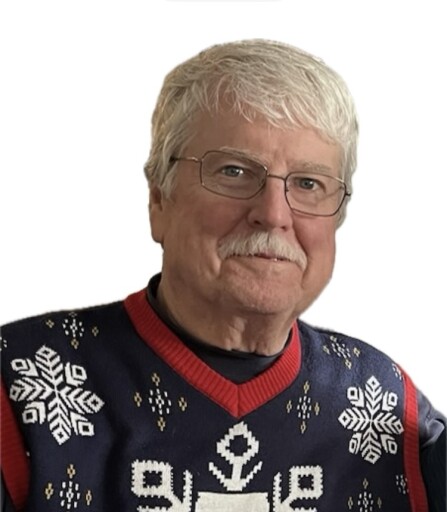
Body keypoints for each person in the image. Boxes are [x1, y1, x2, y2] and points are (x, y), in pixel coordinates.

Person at [1, 39, 445, 512]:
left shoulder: (386, 409)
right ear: (159, 200)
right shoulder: (20, 389)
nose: (273, 214)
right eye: (234, 171)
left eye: (308, 183)